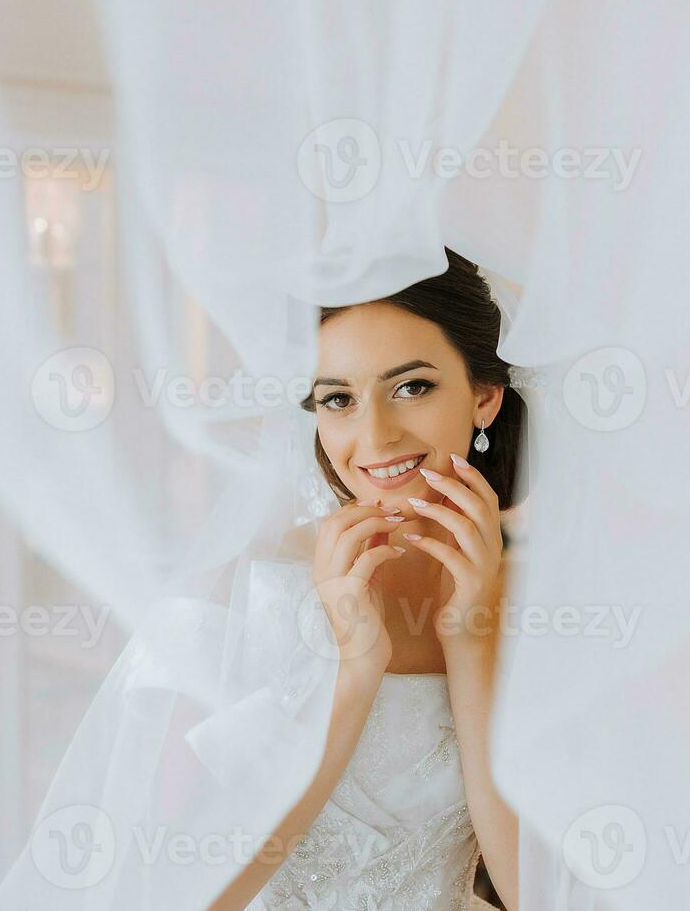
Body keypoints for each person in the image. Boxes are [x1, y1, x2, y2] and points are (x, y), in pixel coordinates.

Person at [214, 249, 528, 910]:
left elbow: (540, 893)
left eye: (412, 387)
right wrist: (355, 666)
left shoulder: (550, 601)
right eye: (338, 399)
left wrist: (472, 642)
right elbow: (203, 889)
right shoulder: (254, 588)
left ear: (485, 398)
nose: (376, 436)